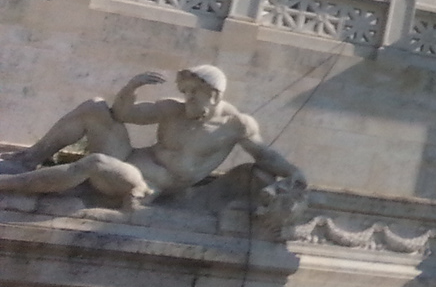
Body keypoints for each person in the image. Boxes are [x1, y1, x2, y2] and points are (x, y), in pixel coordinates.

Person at [0, 67, 303, 210]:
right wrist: (131, 87)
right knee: (93, 107)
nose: (187, 98)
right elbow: (123, 113)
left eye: (193, 92)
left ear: (214, 94)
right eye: (185, 91)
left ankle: (7, 185)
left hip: (144, 185)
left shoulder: (237, 125)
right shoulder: (173, 109)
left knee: (96, 163)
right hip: (128, 158)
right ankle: (28, 159)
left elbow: (265, 156)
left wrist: (293, 173)